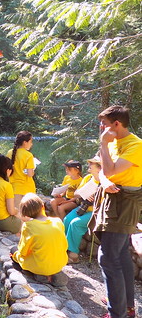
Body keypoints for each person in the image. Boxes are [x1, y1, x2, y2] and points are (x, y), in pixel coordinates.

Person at [90, 105, 142, 318]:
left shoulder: (136, 145)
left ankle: (117, 313)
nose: (101, 128)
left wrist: (103, 143)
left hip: (125, 203)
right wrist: (104, 180)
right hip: (109, 200)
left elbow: (110, 170)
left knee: (108, 257)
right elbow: (102, 171)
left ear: (117, 125)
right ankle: (125, 306)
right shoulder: (112, 143)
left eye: (104, 124)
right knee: (119, 255)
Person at [11, 193, 68, 281]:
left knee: (14, 251)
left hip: (40, 266)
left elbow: (23, 251)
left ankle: (36, 273)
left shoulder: (29, 226)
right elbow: (65, 245)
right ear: (42, 206)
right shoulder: (58, 221)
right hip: (60, 264)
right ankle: (51, 275)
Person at [63, 156, 101, 264]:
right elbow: (76, 193)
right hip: (83, 208)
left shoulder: (105, 181)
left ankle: (73, 255)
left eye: (91, 164)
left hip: (96, 212)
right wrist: (85, 194)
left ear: (99, 168)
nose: (88, 165)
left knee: (76, 224)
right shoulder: (88, 178)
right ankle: (64, 248)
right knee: (67, 219)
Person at [7, 131, 36, 209]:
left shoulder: (10, 152)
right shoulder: (28, 155)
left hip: (13, 187)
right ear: (25, 142)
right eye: (31, 141)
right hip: (27, 188)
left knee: (17, 213)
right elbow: (30, 174)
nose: (31, 144)